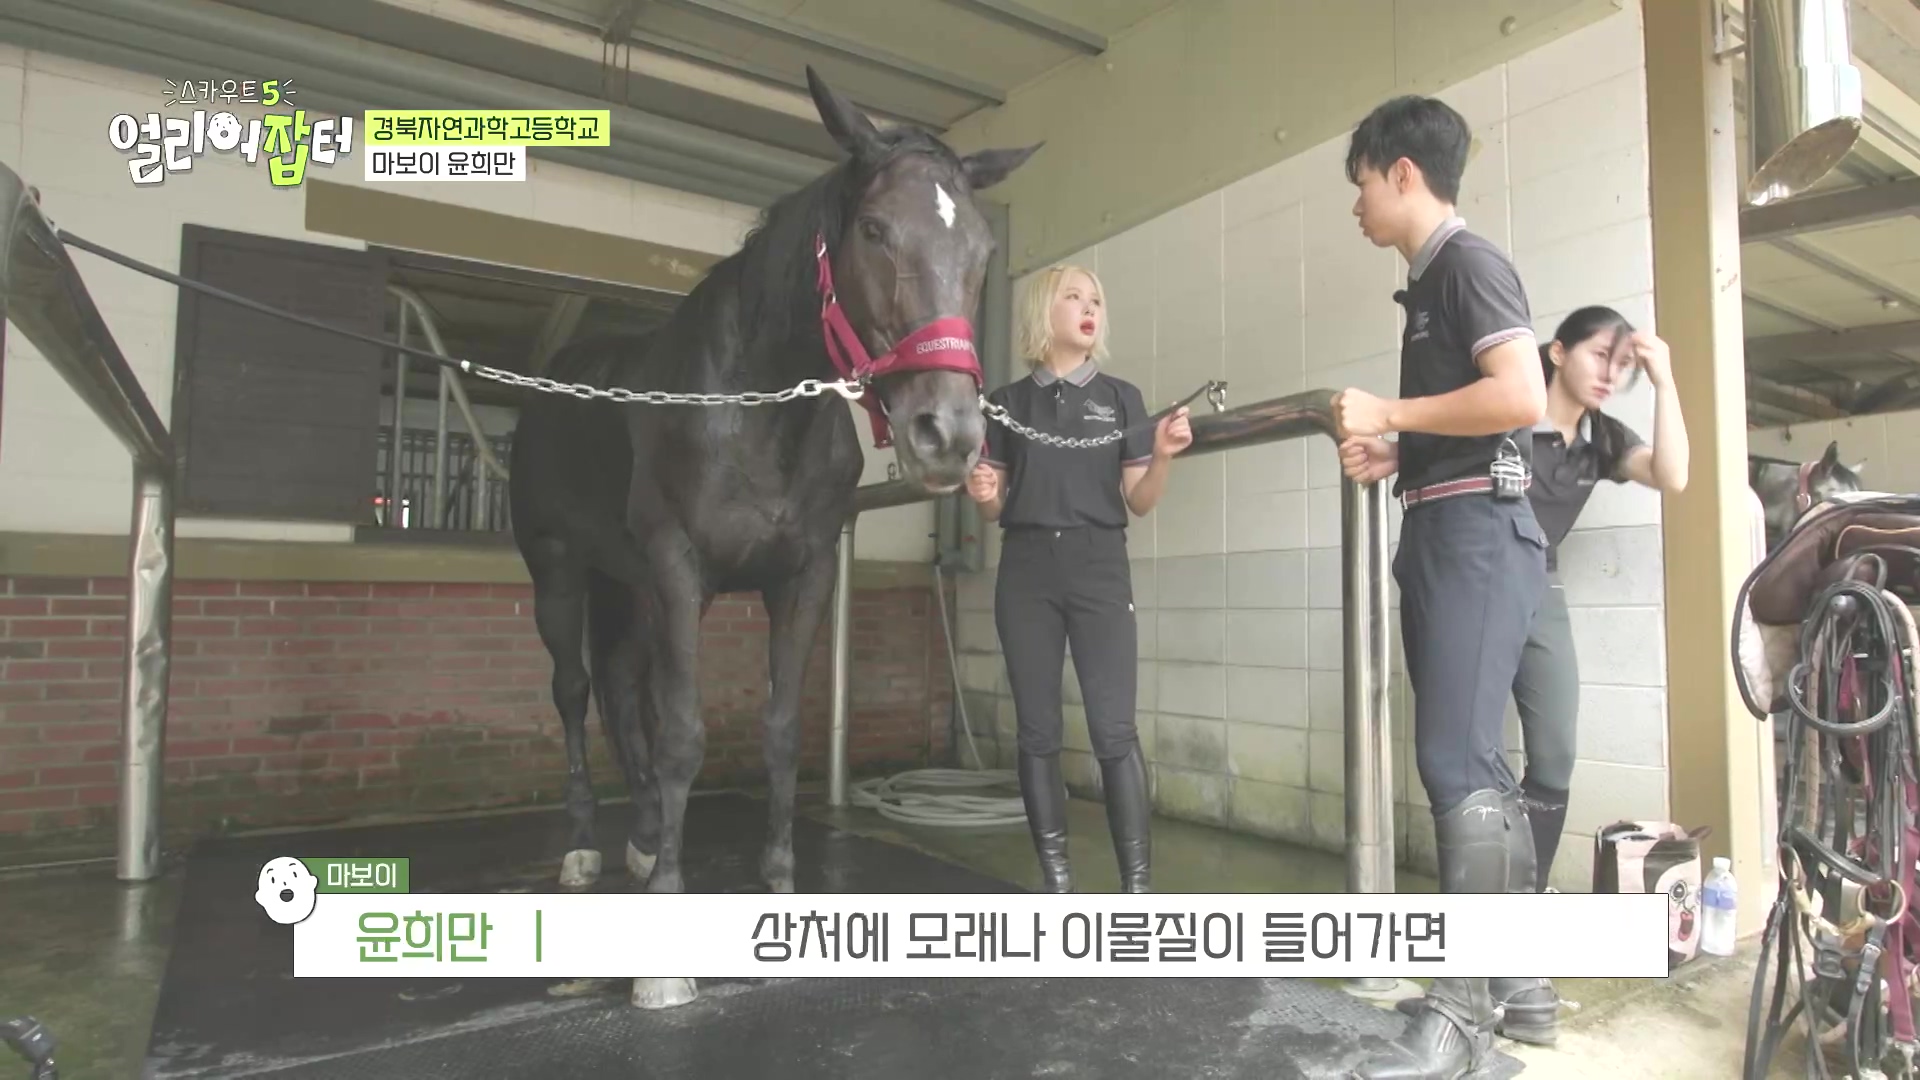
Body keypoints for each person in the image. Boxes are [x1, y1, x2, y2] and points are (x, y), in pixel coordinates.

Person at [1332, 95, 1555, 1080]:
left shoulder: (1466, 263)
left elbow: (1521, 394)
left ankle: (1462, 1018)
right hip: (1448, 520)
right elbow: (1474, 412)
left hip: (1475, 535)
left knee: (1455, 764)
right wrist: (1404, 448)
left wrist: (1389, 411)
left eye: (1362, 184)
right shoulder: (1430, 283)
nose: (1357, 205)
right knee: (1478, 765)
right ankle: (1520, 985)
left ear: (1403, 173)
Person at [965, 263, 1192, 894]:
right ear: (1044, 311)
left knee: (1114, 731)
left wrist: (1163, 456)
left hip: (1099, 566)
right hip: (1027, 569)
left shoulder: (1121, 398)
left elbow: (1139, 500)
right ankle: (1057, 880)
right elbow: (993, 507)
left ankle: (1136, 887)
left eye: (1095, 299)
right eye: (1073, 297)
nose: (1089, 308)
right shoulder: (1006, 404)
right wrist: (982, 491)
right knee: (1037, 732)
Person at [1511, 307, 1689, 895]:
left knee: (1555, 753)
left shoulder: (1600, 440)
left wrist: (1664, 381)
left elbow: (1672, 475)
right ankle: (1478, 896)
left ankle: (1527, 892)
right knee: (1470, 753)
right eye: (1599, 356)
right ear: (1559, 352)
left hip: (1540, 580)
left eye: (1623, 365)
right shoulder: (1508, 413)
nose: (1611, 374)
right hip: (1477, 579)